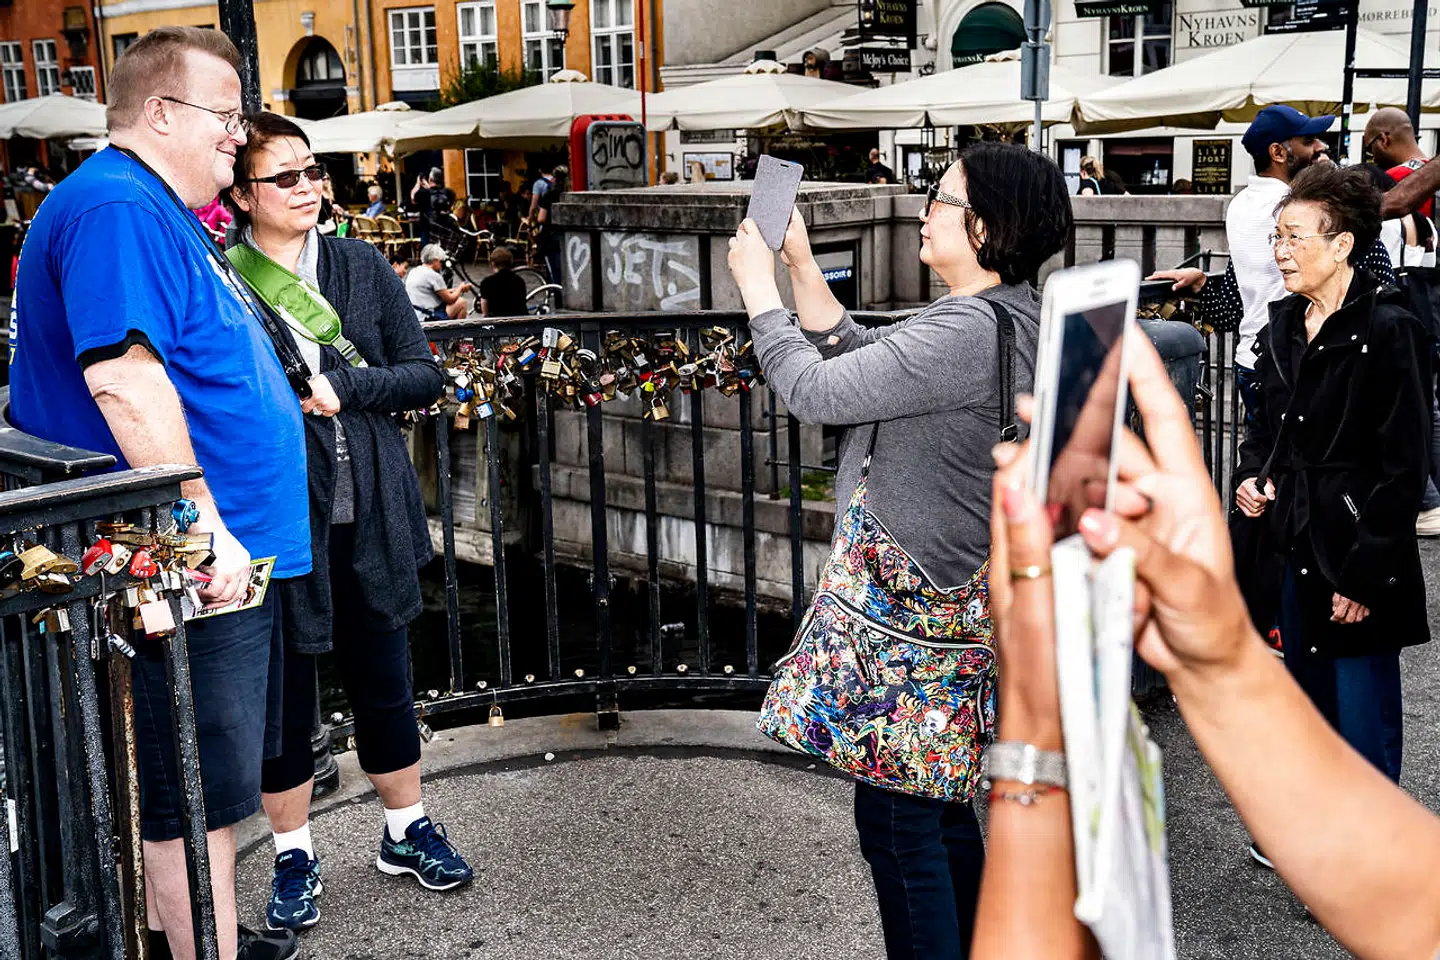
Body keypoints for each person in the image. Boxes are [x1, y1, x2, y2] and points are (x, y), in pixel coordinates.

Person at [974, 332, 1440, 960]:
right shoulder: (1281, 330)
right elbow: (1414, 904)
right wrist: (1220, 659)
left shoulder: (1386, 330)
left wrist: (1035, 715)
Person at [727, 141, 1073, 960]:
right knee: (939, 812)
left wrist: (757, 293)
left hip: (906, 617)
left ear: (985, 227)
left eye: (941, 199)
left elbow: (815, 391)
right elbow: (867, 366)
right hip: (955, 602)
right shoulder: (1008, 314)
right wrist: (804, 269)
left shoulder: (962, 329)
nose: (924, 210)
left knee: (897, 830)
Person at [7, 26, 309, 960]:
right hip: (180, 558)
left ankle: (187, 934)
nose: (237, 136)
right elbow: (123, 377)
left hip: (200, 554)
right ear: (162, 113)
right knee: (193, 791)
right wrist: (203, 523)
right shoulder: (118, 209)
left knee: (196, 784)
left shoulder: (149, 207)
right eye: (225, 116)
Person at [222, 112, 470, 931]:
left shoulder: (361, 265)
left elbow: (423, 376)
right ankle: (293, 853)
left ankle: (405, 829)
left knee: (385, 678)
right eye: (285, 177)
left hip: (370, 510)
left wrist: (346, 391)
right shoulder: (224, 280)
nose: (307, 187)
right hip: (273, 517)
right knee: (285, 700)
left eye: (313, 170)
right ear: (243, 194)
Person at [1233, 162, 1431, 797]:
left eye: (1295, 237)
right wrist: (1250, 477)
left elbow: (1403, 467)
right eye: (1277, 237)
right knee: (1308, 706)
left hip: (1354, 549)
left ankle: (1371, 868)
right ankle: (1318, 841)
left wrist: (1367, 574)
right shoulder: (1282, 325)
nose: (1281, 252)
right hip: (1292, 538)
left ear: (1342, 243)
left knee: (1362, 718)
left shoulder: (1390, 328)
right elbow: (1265, 430)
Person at [1150, 106, 1396, 426]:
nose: (1320, 148)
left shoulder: (1238, 207)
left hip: (1252, 362)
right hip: (1308, 363)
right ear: (1278, 152)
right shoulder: (1307, 207)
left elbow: (1231, 308)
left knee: (1268, 466)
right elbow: (1377, 275)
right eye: (1308, 141)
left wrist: (1201, 284)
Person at [1364, 107, 1433, 220]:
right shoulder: (1433, 171)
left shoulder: (1394, 176)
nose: (1373, 157)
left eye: (1369, 148)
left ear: (1383, 139)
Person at [406, 243, 470, 320]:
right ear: (435, 260)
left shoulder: (414, 271)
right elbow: (450, 300)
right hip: (428, 316)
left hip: (415, 313)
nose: (441, 264)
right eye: (441, 261)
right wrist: (460, 288)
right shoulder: (434, 276)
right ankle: (457, 331)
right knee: (462, 302)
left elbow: (429, 292)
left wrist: (453, 290)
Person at [534, 165, 567, 289]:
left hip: (551, 237)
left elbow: (541, 218)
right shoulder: (569, 193)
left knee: (555, 272)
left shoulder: (550, 195)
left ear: (554, 178)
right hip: (567, 236)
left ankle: (557, 298)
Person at [478, 245, 528, 318]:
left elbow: (485, 313)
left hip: (497, 324)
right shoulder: (519, 281)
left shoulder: (487, 282)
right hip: (519, 322)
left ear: (493, 263)